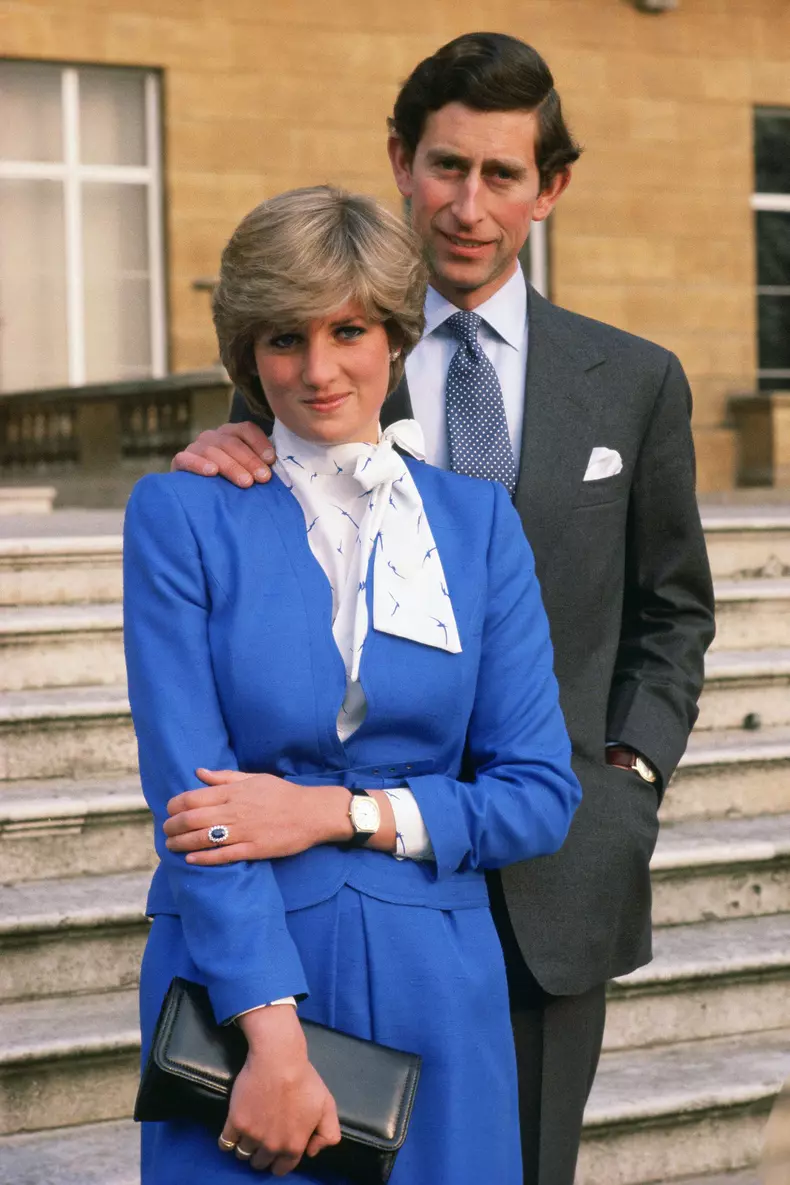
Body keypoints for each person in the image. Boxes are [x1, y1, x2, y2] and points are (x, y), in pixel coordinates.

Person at [172, 33, 716, 1185]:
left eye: (502, 175)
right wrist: (217, 452)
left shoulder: (634, 378)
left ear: (548, 190)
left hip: (552, 859)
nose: (468, 205)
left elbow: (674, 609)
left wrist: (631, 774)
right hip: (341, 888)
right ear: (399, 164)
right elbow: (267, 496)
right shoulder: (337, 335)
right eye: (445, 168)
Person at [125, 184, 581, 1185]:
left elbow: (538, 796)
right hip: (242, 982)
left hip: (438, 988)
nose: (318, 369)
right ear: (247, 354)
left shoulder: (477, 524)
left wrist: (339, 813)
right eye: (284, 338)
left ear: (395, 335)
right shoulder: (181, 514)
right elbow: (197, 805)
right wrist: (274, 1046)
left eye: (348, 330)